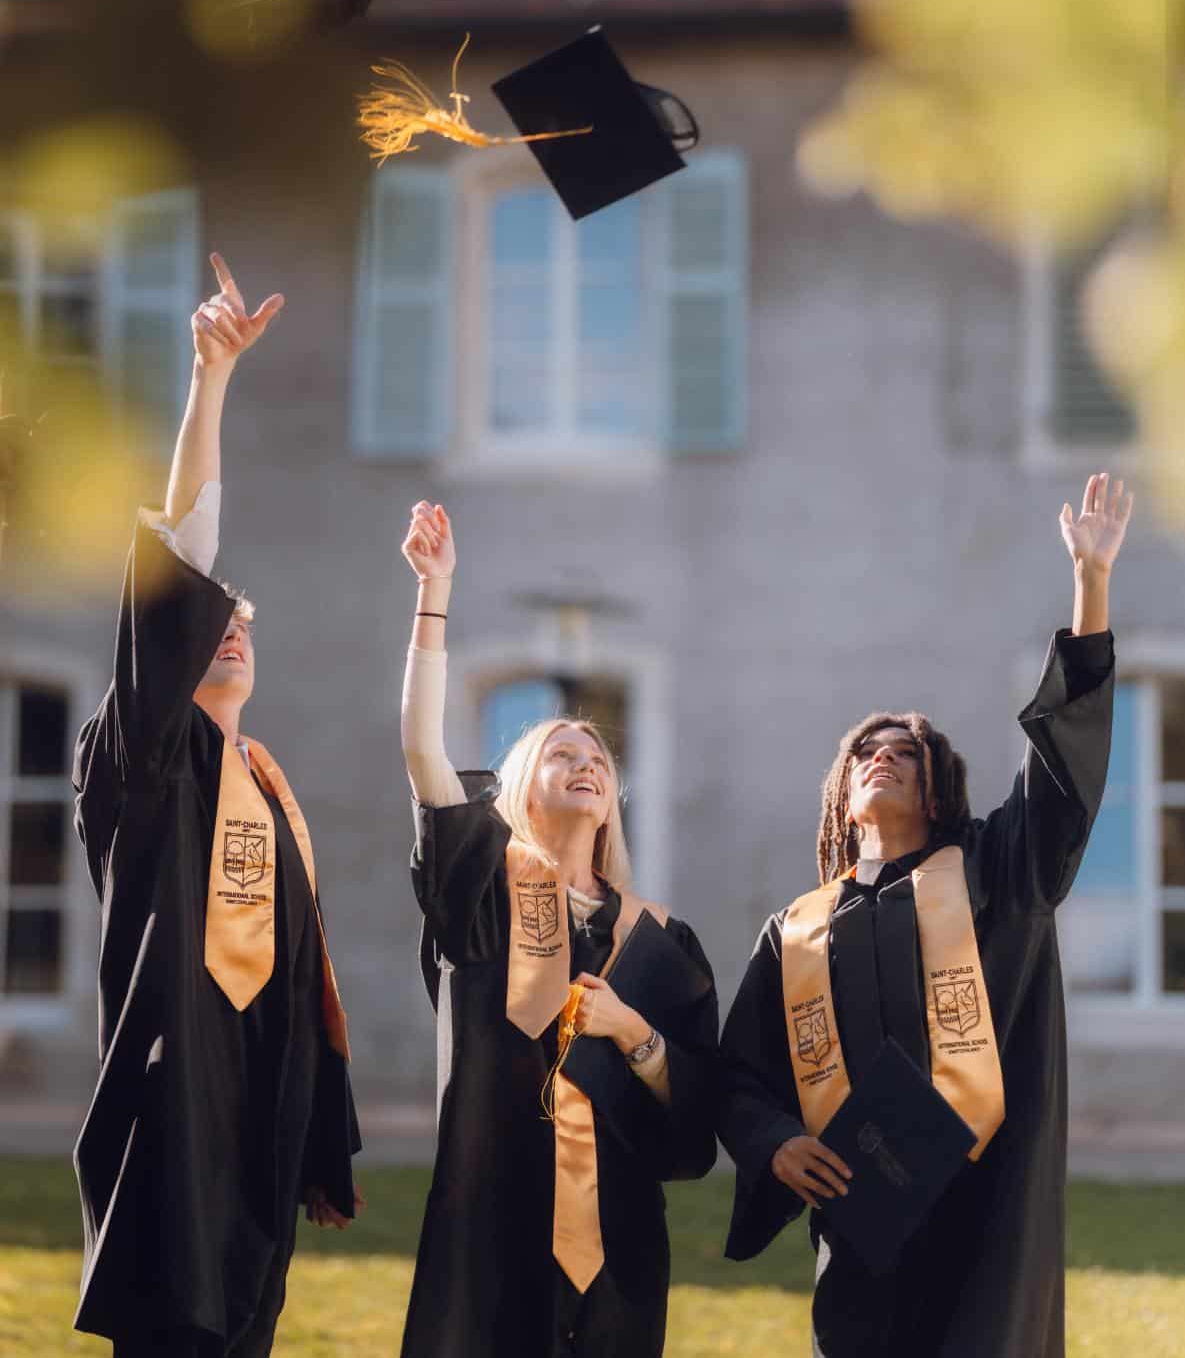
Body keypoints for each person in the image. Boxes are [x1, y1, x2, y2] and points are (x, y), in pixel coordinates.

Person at [718, 472, 1133, 1358]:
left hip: (981, 1209)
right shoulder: (796, 930)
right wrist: (777, 1143)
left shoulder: (993, 867)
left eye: (907, 749)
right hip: (860, 1217)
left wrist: (1089, 585)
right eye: (866, 749)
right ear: (840, 790)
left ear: (940, 779)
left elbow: (1062, 773)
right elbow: (738, 1074)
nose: (884, 756)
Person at [72, 254, 362, 1357]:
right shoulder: (142, 756)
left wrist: (316, 1134)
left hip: (257, 1117)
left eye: (246, 618)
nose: (229, 623)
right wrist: (213, 384)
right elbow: (184, 563)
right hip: (172, 1104)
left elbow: (301, 978)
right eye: (211, 619)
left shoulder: (270, 788)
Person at [399, 500, 719, 1358]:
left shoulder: (660, 943)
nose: (584, 764)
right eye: (560, 753)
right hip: (499, 1224)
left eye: (598, 759)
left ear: (613, 797)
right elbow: (424, 757)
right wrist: (435, 596)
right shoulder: (482, 898)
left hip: (616, 1246)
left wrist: (637, 1034)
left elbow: (695, 1123)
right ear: (517, 787)